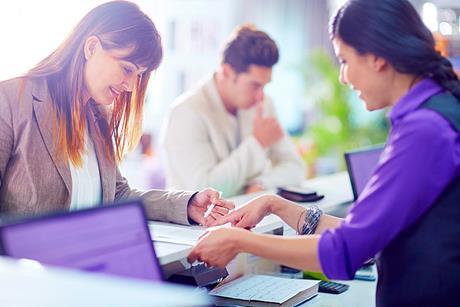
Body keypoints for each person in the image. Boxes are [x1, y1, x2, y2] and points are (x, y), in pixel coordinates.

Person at [188, 1, 460, 306]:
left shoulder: (425, 130)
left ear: (376, 58)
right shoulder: (438, 111)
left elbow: (347, 250)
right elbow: (364, 235)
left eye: (344, 60)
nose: (342, 76)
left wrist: (240, 241)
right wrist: (275, 204)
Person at [0, 1, 234, 227]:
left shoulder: (97, 117)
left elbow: (117, 195)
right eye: (127, 69)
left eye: (139, 75)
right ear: (91, 48)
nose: (131, 86)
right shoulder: (11, 101)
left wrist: (186, 204)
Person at [160, 24, 305, 197]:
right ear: (227, 72)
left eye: (265, 86)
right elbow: (204, 189)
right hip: (201, 224)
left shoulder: (263, 104)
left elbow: (295, 168)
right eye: (255, 85)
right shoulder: (186, 113)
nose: (261, 96)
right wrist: (257, 144)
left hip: (252, 219)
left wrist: (261, 184)